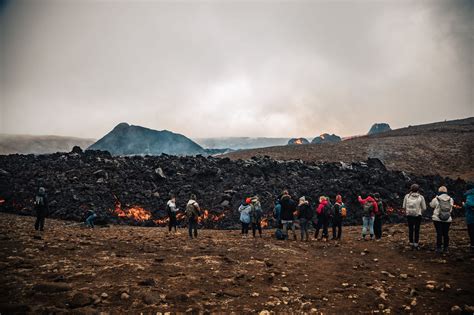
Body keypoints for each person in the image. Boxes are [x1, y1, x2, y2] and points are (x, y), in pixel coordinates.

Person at [402, 184, 427, 250]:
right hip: (418, 215)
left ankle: (411, 243)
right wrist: (420, 212)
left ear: (411, 189)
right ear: (418, 190)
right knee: (417, 229)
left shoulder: (407, 196)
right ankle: (416, 244)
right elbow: (424, 208)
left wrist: (407, 212)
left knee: (410, 229)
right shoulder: (421, 197)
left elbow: (404, 206)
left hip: (409, 215)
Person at [430, 186, 454, 254]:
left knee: (439, 233)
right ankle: (446, 248)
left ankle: (439, 248)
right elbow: (451, 209)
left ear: (439, 191)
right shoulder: (451, 199)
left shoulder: (436, 199)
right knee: (446, 233)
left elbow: (431, 205)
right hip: (448, 219)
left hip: (437, 219)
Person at [464, 184, 474, 253]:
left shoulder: (470, 195)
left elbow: (468, 203)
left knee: (471, 231)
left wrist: (464, 204)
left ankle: (473, 245)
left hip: (471, 217)